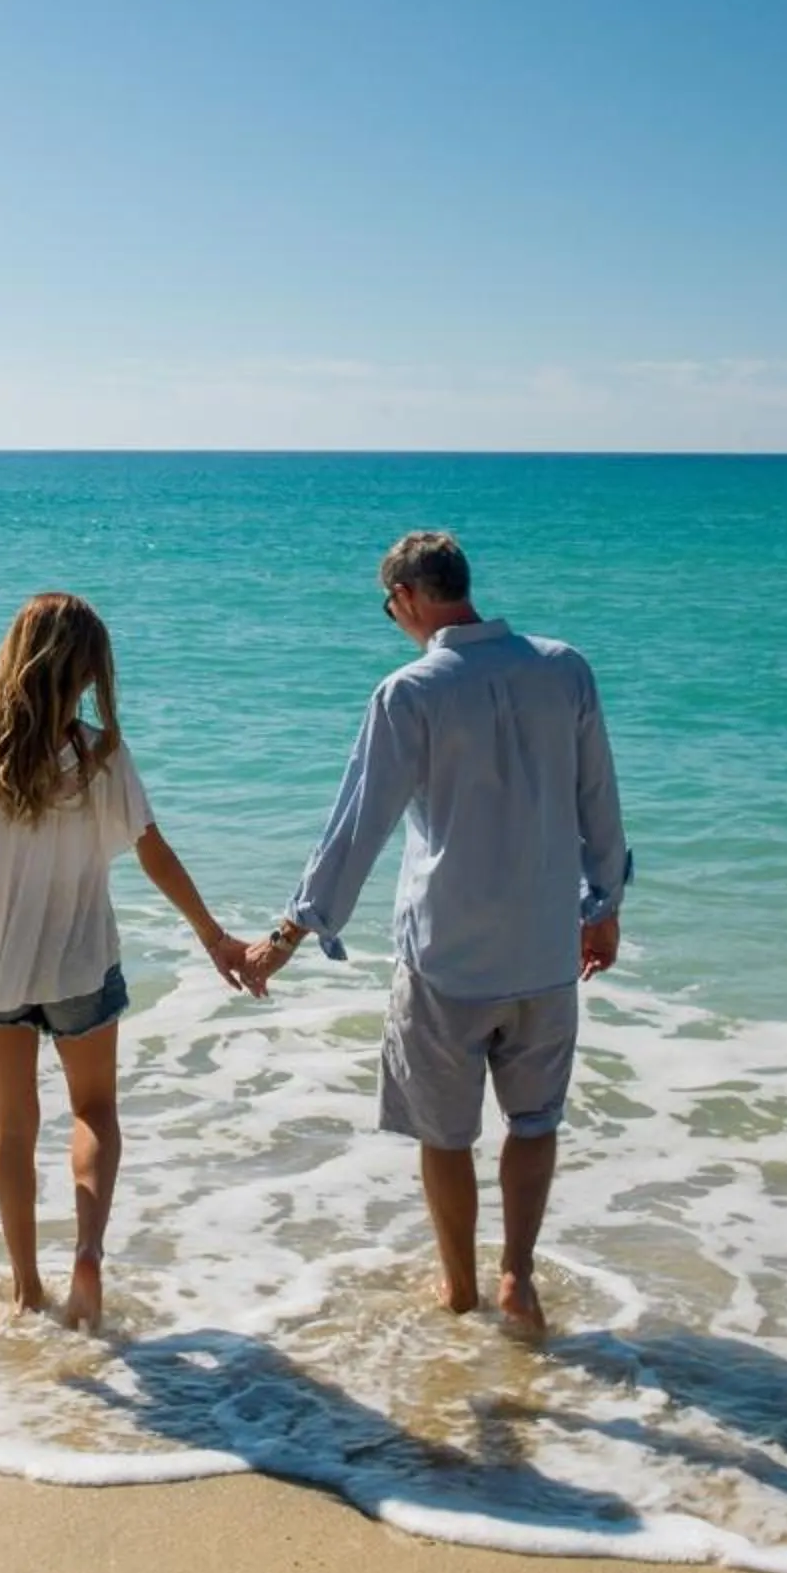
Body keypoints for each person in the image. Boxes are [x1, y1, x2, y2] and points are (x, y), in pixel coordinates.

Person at [241, 531, 630, 1340]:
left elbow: (358, 825)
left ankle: (460, 1290)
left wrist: (290, 931)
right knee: (534, 1123)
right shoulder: (565, 668)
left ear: (410, 598)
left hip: (445, 957)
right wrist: (604, 906)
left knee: (445, 1136)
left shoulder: (409, 692)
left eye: (391, 609)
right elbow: (599, 797)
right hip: (545, 950)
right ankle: (518, 1279)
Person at [0, 591, 251, 1331]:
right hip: (80, 964)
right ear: (86, 673)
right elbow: (152, 850)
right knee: (95, 1112)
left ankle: (25, 1287)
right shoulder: (98, 755)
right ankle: (87, 1251)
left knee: (11, 1127)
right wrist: (214, 936)